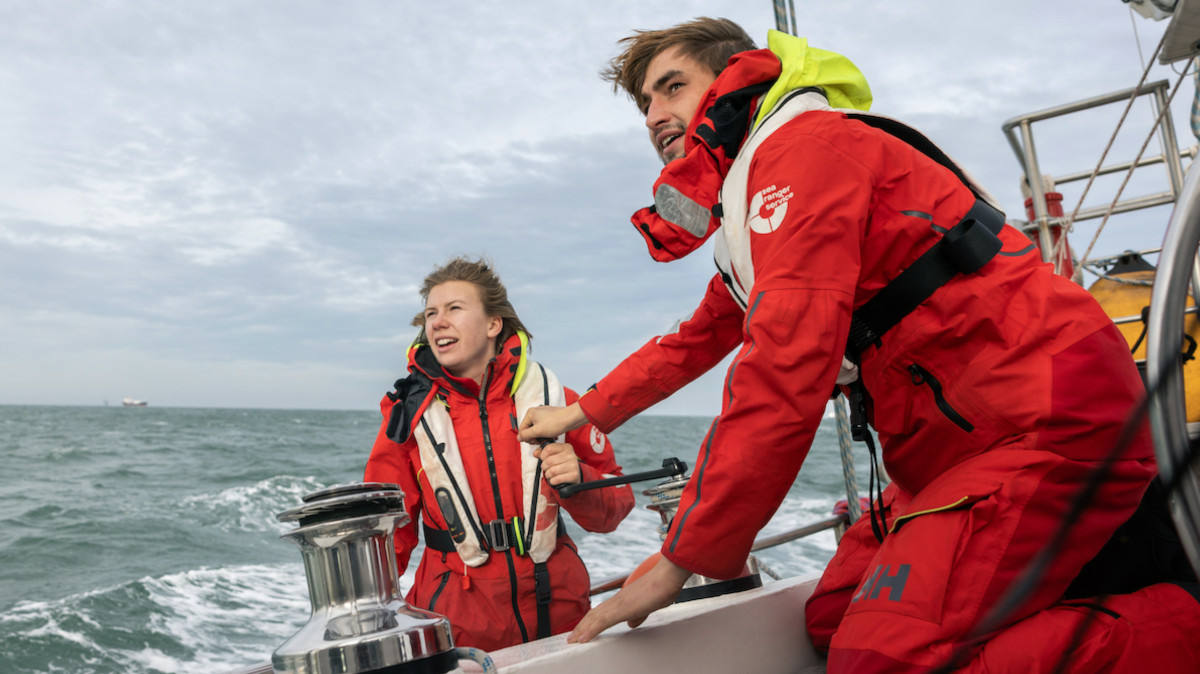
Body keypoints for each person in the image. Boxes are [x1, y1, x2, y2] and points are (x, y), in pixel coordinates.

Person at [517, 17, 1200, 671]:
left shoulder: (804, 153)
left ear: (736, 80)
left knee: (881, 661)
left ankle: (1181, 627)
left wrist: (679, 557)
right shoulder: (758, 206)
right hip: (951, 449)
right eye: (643, 102)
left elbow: (784, 368)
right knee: (831, 619)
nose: (652, 115)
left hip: (1043, 422)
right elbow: (694, 340)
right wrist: (580, 416)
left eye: (672, 87)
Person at [364, 256, 634, 652]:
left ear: (494, 324)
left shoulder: (559, 404)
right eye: (431, 314)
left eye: (454, 308)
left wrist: (580, 479)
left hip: (561, 615)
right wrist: (369, 623)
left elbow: (615, 507)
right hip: (458, 628)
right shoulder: (407, 419)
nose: (437, 322)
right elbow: (386, 538)